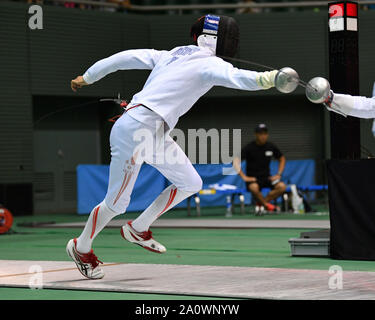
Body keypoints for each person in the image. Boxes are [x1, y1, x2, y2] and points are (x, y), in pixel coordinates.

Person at [67, 14, 291, 279]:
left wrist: (89, 76)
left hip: (153, 131)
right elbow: (239, 79)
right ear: (213, 40)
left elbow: (123, 58)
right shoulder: (209, 64)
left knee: (190, 183)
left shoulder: (170, 54)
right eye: (229, 39)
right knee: (116, 204)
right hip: (136, 128)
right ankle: (80, 248)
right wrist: (272, 78)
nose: (232, 44)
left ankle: (138, 229)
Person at [234, 123, 286, 213]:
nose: (263, 136)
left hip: (267, 178)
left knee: (282, 186)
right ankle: (268, 206)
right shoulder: (249, 147)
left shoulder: (270, 146)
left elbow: (282, 158)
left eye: (265, 134)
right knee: (254, 188)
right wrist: (244, 177)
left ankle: (262, 204)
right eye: (260, 134)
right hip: (253, 179)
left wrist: (279, 174)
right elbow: (235, 161)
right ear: (256, 134)